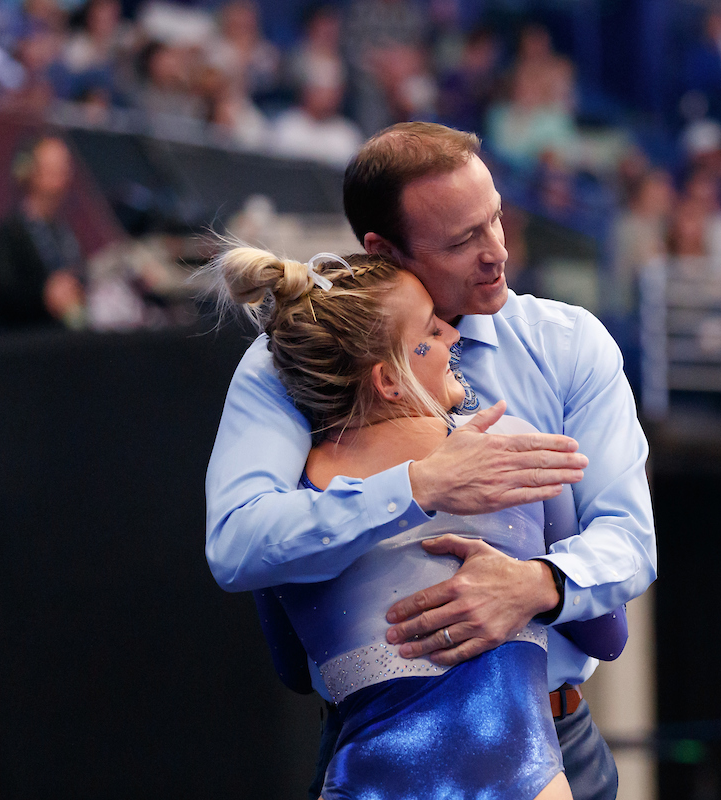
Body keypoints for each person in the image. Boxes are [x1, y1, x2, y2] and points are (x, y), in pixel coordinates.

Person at [205, 122, 655, 800]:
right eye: (462, 239)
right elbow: (237, 544)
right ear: (383, 249)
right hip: (378, 746)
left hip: (556, 737)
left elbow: (630, 540)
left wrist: (536, 584)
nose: (497, 252)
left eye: (495, 219)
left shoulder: (569, 344)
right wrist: (417, 485)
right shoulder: (294, 360)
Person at [214, 247, 572, 799]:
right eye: (433, 329)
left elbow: (291, 669)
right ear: (389, 380)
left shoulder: (293, 504)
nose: (455, 338)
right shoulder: (510, 450)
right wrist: (538, 587)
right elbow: (606, 632)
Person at [0, 135, 87, 329]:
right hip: (27, 345)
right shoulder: (10, 234)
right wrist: (43, 296)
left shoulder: (64, 232)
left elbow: (80, 275)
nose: (62, 178)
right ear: (29, 172)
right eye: (53, 169)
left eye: (64, 168)